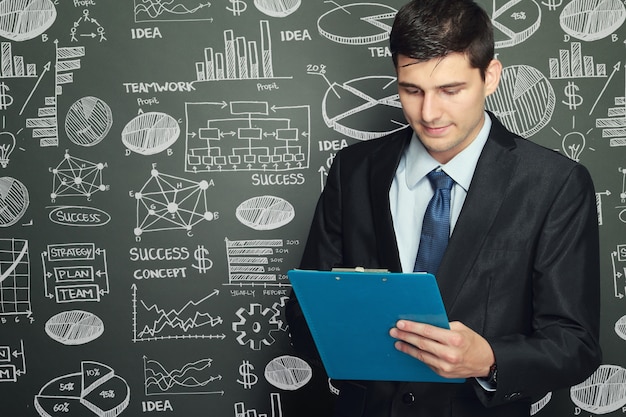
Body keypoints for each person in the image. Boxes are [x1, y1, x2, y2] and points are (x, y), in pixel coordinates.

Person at [285, 0, 602, 416]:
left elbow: (576, 345)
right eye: (411, 90)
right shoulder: (354, 170)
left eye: (450, 90)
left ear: (490, 76)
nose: (428, 113)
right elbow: (305, 310)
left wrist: (489, 359)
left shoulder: (555, 183)